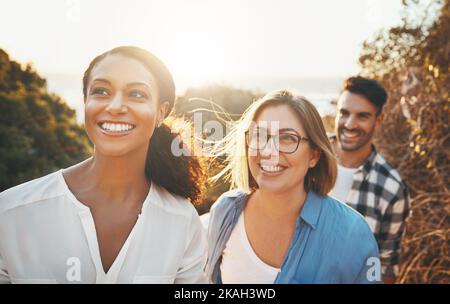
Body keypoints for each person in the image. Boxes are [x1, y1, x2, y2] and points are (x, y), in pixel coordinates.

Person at [0, 46, 207, 284]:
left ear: (161, 112)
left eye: (136, 94)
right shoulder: (11, 212)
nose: (115, 106)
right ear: (86, 101)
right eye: (101, 91)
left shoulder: (182, 221)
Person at [204, 89, 382, 284]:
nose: (268, 151)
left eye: (288, 138)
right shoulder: (225, 211)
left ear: (314, 156)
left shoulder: (352, 234)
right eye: (259, 136)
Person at [329, 76, 410, 283]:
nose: (349, 124)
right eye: (344, 113)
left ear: (379, 120)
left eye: (362, 116)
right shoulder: (306, 157)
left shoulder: (391, 188)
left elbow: (386, 267)